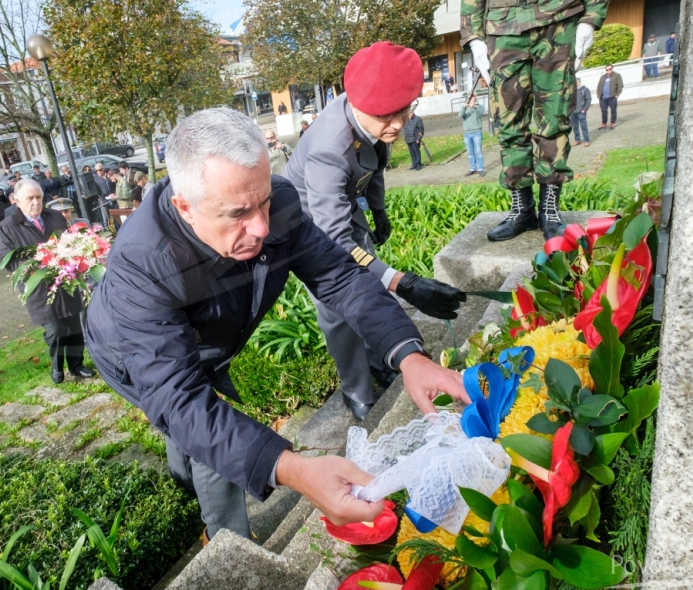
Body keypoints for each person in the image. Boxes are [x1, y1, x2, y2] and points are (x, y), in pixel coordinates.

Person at [85, 108, 471, 542]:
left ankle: (191, 469)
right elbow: (177, 398)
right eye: (238, 213)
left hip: (206, 340)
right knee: (194, 433)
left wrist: (408, 355)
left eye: (264, 201)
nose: (262, 227)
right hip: (128, 353)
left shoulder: (279, 205)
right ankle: (228, 540)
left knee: (197, 436)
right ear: (184, 207)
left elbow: (339, 277)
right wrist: (294, 468)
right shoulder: (143, 264)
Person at [282, 42, 467, 420]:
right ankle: (357, 390)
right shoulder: (328, 149)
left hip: (344, 209)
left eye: (404, 110)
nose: (398, 124)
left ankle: (380, 356)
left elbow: (374, 167)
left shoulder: (372, 123)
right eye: (386, 115)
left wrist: (379, 213)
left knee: (370, 290)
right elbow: (333, 244)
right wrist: (403, 282)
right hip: (309, 228)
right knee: (337, 307)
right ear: (359, 104)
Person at [462, 0, 608, 242]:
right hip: (502, 29)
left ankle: (549, 211)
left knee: (554, 119)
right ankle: (523, 209)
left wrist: (591, 16)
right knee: (509, 123)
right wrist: (474, 37)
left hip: (558, 18)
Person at [0, 181, 94, 384]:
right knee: (56, 330)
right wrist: (38, 263)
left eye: (38, 197)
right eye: (29, 198)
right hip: (39, 289)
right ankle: (57, 367)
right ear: (17, 201)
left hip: (66, 281)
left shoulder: (55, 216)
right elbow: (8, 260)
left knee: (74, 327)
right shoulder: (7, 227)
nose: (35, 202)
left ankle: (77, 365)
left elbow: (69, 242)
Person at [460, 99, 486, 176]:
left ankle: (480, 169)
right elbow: (460, 115)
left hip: (477, 132)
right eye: (470, 99)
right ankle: (472, 169)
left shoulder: (480, 106)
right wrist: (464, 107)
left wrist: (474, 107)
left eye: (473, 99)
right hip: (467, 133)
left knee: (478, 151)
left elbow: (479, 114)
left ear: (475, 99)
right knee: (470, 153)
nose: (471, 101)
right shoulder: (465, 107)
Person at [597, 64, 623, 130]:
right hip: (603, 98)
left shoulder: (617, 75)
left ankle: (612, 122)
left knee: (613, 110)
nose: (608, 71)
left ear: (612, 69)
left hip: (612, 97)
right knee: (603, 111)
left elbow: (620, 85)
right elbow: (599, 86)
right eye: (606, 69)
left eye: (609, 69)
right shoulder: (602, 77)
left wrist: (617, 94)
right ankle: (604, 123)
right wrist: (598, 95)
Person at [570, 77, 591, 147]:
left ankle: (586, 140)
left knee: (584, 126)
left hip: (581, 111)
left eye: (575, 83)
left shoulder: (585, 90)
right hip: (573, 112)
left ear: (579, 82)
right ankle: (577, 140)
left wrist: (584, 109)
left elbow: (588, 100)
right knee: (575, 127)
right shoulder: (571, 90)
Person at [404, 106, 425, 170]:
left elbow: (421, 129)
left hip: (415, 139)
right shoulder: (405, 120)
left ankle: (418, 164)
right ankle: (414, 164)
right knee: (412, 153)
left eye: (411, 112)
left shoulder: (418, 119)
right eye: (409, 112)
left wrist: (418, 138)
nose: (411, 113)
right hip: (408, 139)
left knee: (416, 152)